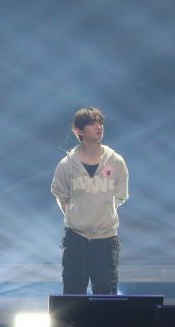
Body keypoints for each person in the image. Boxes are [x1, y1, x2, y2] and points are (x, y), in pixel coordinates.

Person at [51, 107, 129, 297]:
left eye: (100, 123)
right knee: (73, 297)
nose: (98, 127)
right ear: (79, 131)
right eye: (92, 123)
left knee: (107, 296)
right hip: (76, 239)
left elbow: (120, 195)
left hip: (106, 239)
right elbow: (60, 195)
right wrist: (76, 215)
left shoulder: (116, 161)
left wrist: (102, 213)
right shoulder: (66, 164)